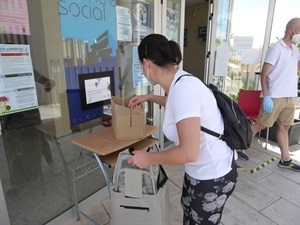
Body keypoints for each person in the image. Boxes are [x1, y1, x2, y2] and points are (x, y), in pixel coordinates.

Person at [127, 34, 238, 225]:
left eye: (140, 66)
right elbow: (179, 108)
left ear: (146, 64)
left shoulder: (183, 90)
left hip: (212, 175)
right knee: (190, 215)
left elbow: (188, 152)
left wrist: (149, 158)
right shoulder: (181, 80)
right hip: (202, 171)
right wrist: (149, 98)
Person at [252, 17, 300, 172]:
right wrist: (266, 96)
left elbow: (296, 69)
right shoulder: (276, 48)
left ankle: (285, 160)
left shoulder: (295, 49)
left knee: (284, 128)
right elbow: (264, 74)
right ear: (291, 29)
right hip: (274, 96)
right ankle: (237, 147)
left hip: (289, 96)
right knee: (260, 125)